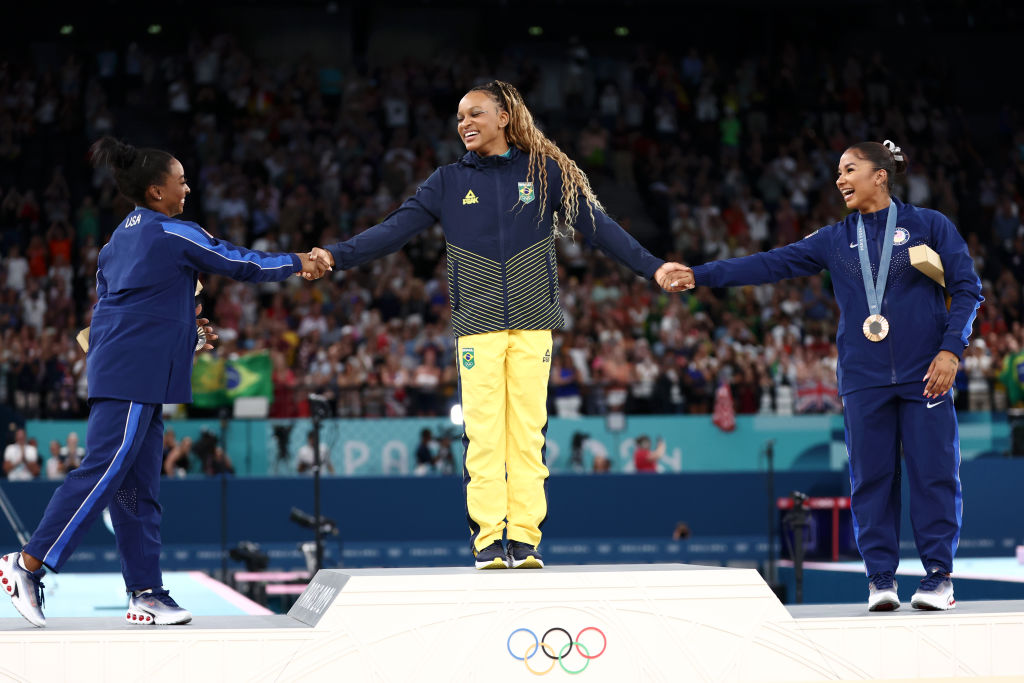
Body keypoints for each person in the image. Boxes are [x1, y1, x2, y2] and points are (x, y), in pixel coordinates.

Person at [313, 80, 688, 570]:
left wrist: (652, 266)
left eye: (475, 114)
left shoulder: (545, 173)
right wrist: (335, 255)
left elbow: (599, 226)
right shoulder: (447, 181)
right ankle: (489, 540)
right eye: (460, 119)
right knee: (485, 435)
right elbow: (393, 230)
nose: (464, 124)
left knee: (528, 434)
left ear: (504, 116)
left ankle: (525, 540)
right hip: (478, 326)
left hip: (533, 324)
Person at [0, 136, 330, 628]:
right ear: (156, 192)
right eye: (181, 181)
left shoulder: (116, 241)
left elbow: (126, 303)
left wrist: (188, 330)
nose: (188, 188)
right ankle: (28, 565)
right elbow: (237, 260)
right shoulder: (173, 232)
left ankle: (146, 592)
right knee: (104, 468)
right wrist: (297, 260)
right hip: (133, 370)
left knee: (137, 490)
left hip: (135, 366)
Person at [675, 140, 983, 612]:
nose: (840, 179)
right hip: (864, 376)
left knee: (934, 475)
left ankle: (938, 579)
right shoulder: (835, 239)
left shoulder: (928, 225)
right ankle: (881, 579)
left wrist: (950, 351)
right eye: (838, 171)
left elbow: (968, 288)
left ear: (880, 175)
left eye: (849, 169)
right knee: (870, 478)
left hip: (928, 373)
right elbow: (769, 263)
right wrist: (701, 274)